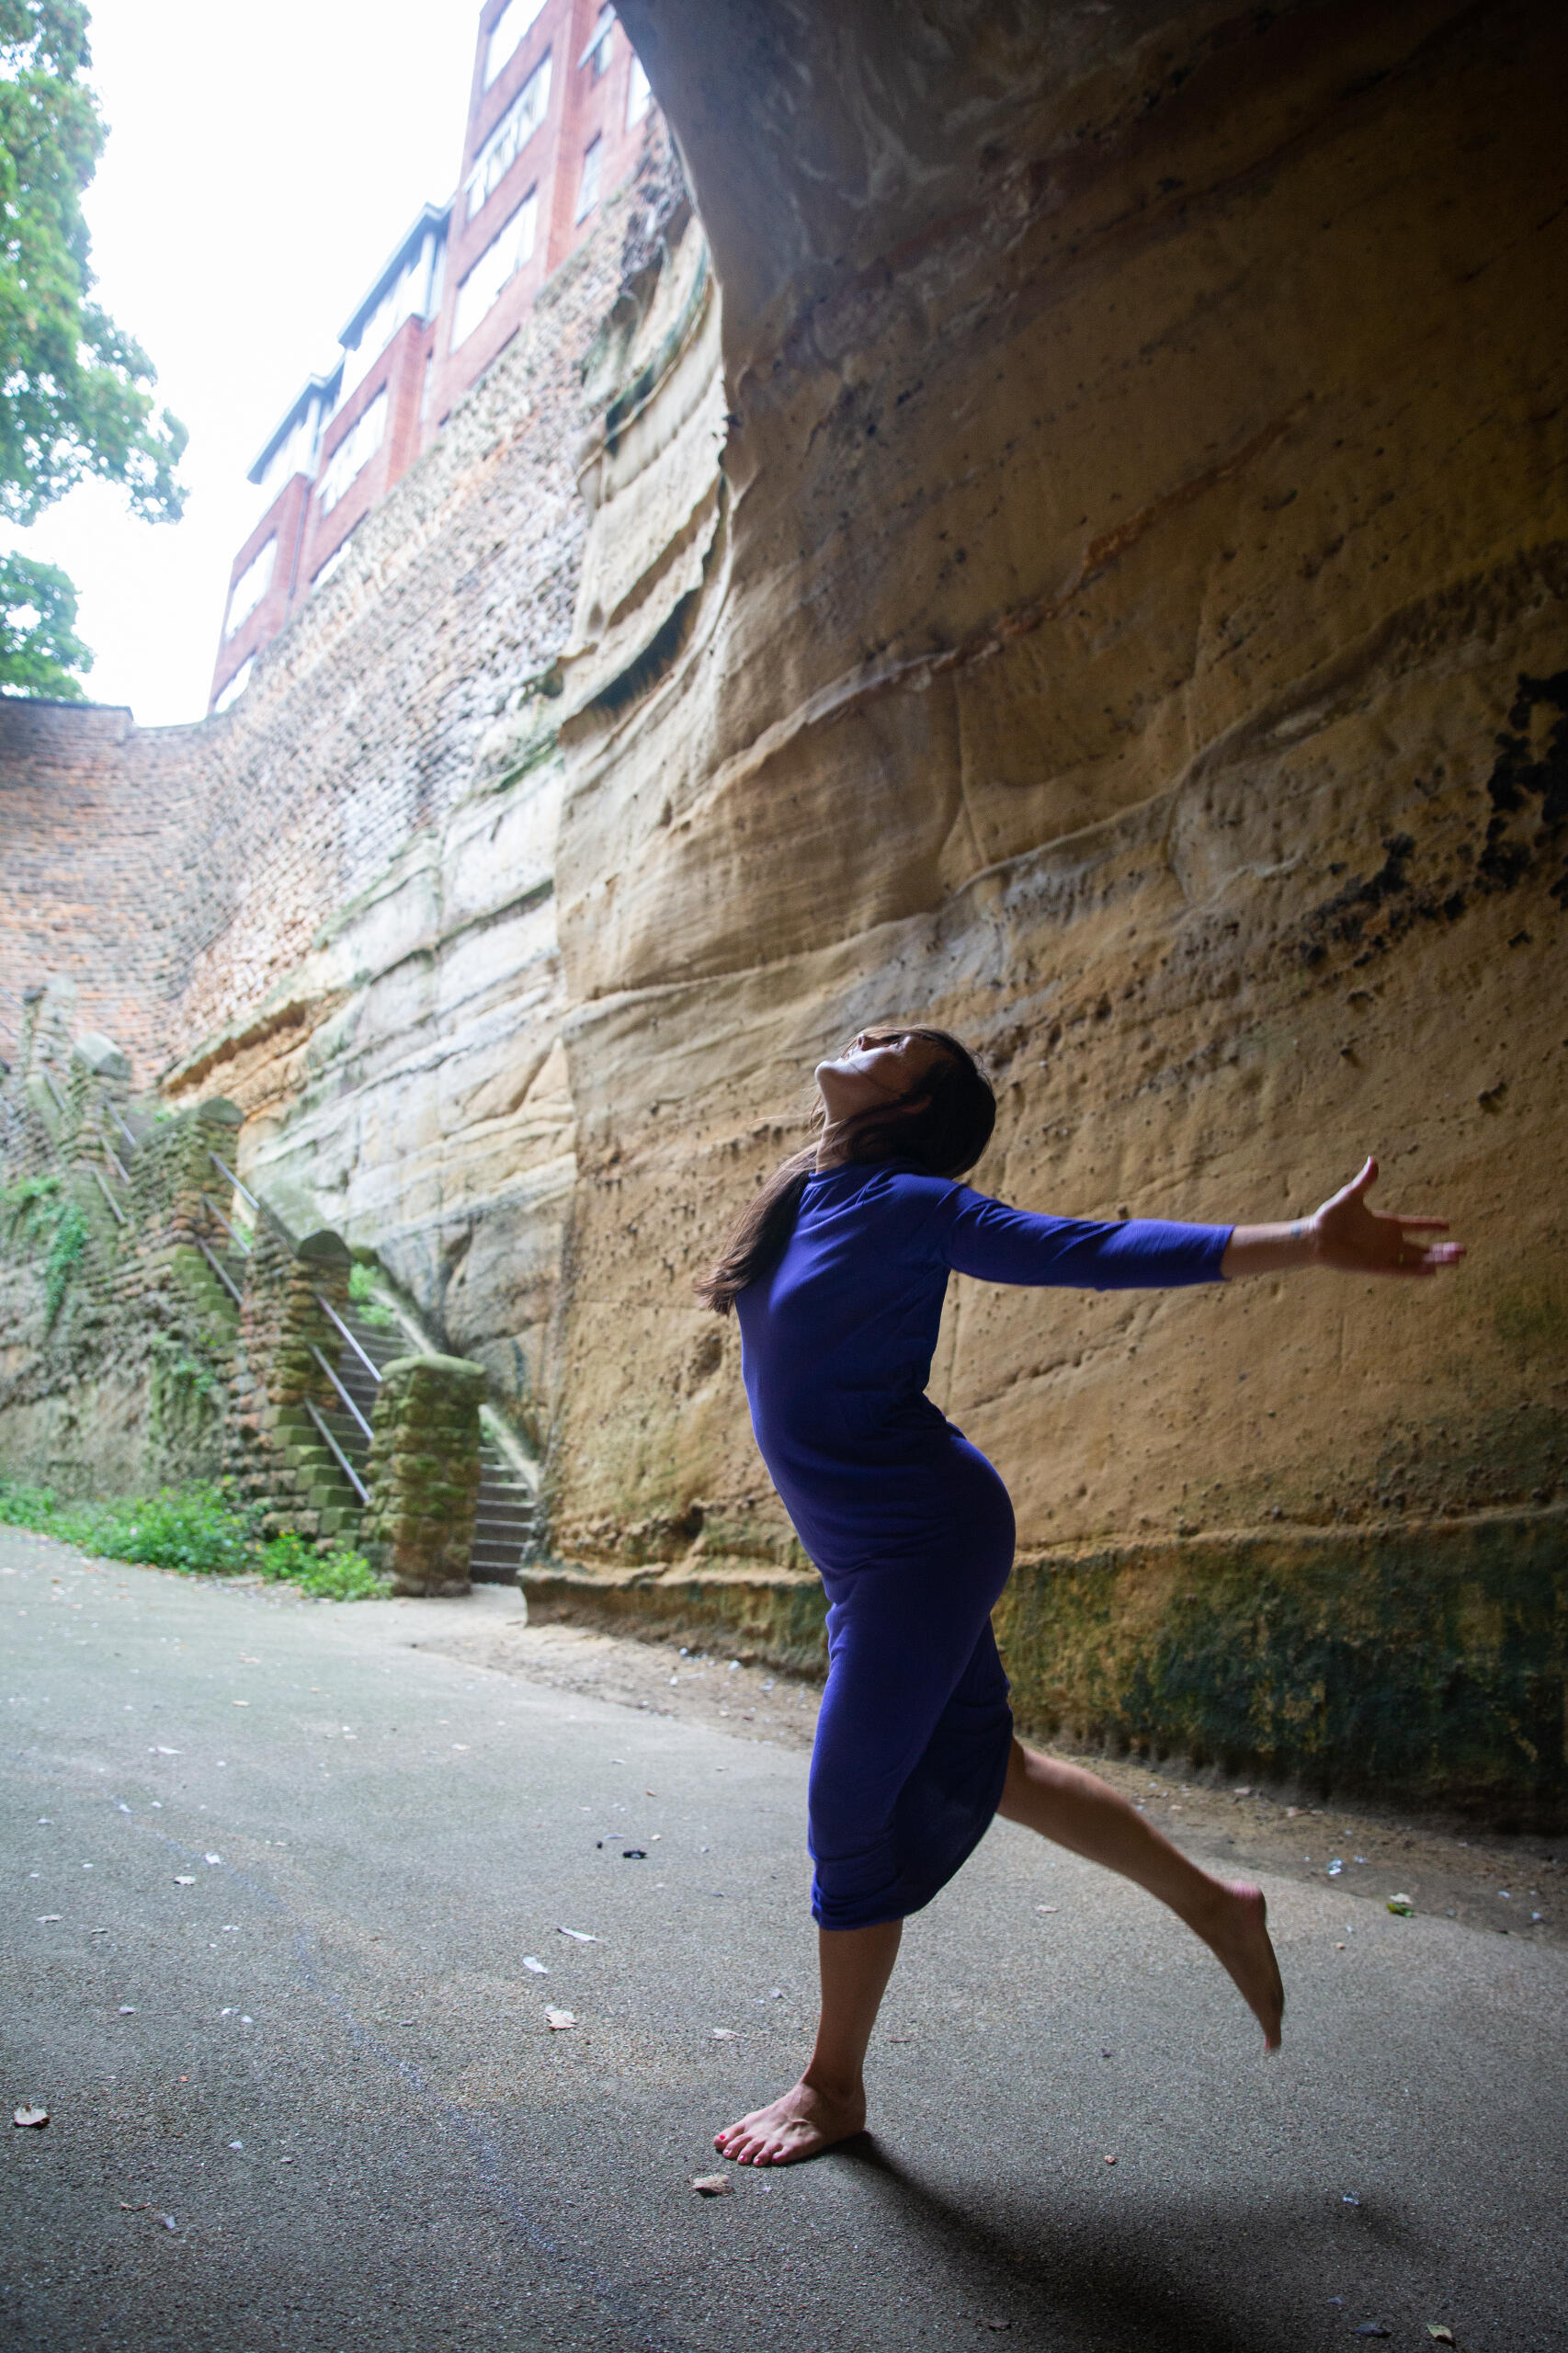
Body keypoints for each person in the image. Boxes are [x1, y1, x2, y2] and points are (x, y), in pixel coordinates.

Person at [693, 1024, 1464, 2168]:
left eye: (898, 1042)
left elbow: (1089, 1250)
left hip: (922, 1539)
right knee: (992, 1770)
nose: (869, 1033)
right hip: (867, 1555)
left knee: (845, 1807)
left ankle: (831, 2087)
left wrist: (1303, 1240)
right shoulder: (801, 1194)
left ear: (917, 1106)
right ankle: (1215, 1903)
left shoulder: (912, 1202)